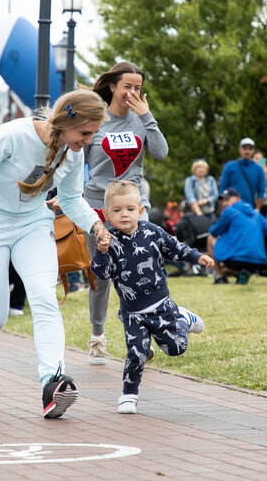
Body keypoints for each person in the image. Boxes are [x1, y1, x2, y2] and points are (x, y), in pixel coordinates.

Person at [0, 88, 110, 419]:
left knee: (44, 297)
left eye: (93, 135)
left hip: (33, 224)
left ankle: (52, 382)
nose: (87, 141)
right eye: (85, 133)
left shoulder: (73, 152)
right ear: (67, 120)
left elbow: (70, 199)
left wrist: (97, 226)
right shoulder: (13, 134)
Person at [91, 180, 212, 414]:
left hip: (162, 307)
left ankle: (183, 318)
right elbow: (102, 274)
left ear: (140, 210)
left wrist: (197, 257)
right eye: (117, 210)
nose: (124, 215)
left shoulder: (151, 232)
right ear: (106, 214)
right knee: (136, 353)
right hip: (133, 313)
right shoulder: (108, 240)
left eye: (129, 209)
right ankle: (129, 394)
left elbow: (176, 248)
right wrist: (102, 252)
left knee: (176, 348)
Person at [83, 61, 169, 366]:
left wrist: (147, 116)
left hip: (134, 209)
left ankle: (141, 338)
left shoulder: (140, 121)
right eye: (127, 86)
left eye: (138, 88)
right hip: (98, 209)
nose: (132, 92)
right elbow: (74, 160)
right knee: (102, 277)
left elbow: (160, 153)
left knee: (140, 273)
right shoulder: (96, 120)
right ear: (113, 88)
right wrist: (62, 199)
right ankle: (97, 336)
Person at [209, 188, 267, 284]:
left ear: (237, 199)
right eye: (222, 201)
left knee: (210, 238)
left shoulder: (229, 211)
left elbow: (214, 231)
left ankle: (219, 276)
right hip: (257, 260)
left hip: (235, 260)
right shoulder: (256, 213)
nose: (224, 203)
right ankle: (242, 273)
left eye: (227, 200)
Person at [219, 137, 266, 210]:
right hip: (232, 207)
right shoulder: (230, 166)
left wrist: (257, 209)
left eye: (250, 149)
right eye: (244, 148)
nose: (247, 151)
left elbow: (261, 190)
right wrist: (223, 208)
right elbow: (223, 188)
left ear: (253, 151)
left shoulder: (258, 169)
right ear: (239, 149)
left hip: (249, 208)